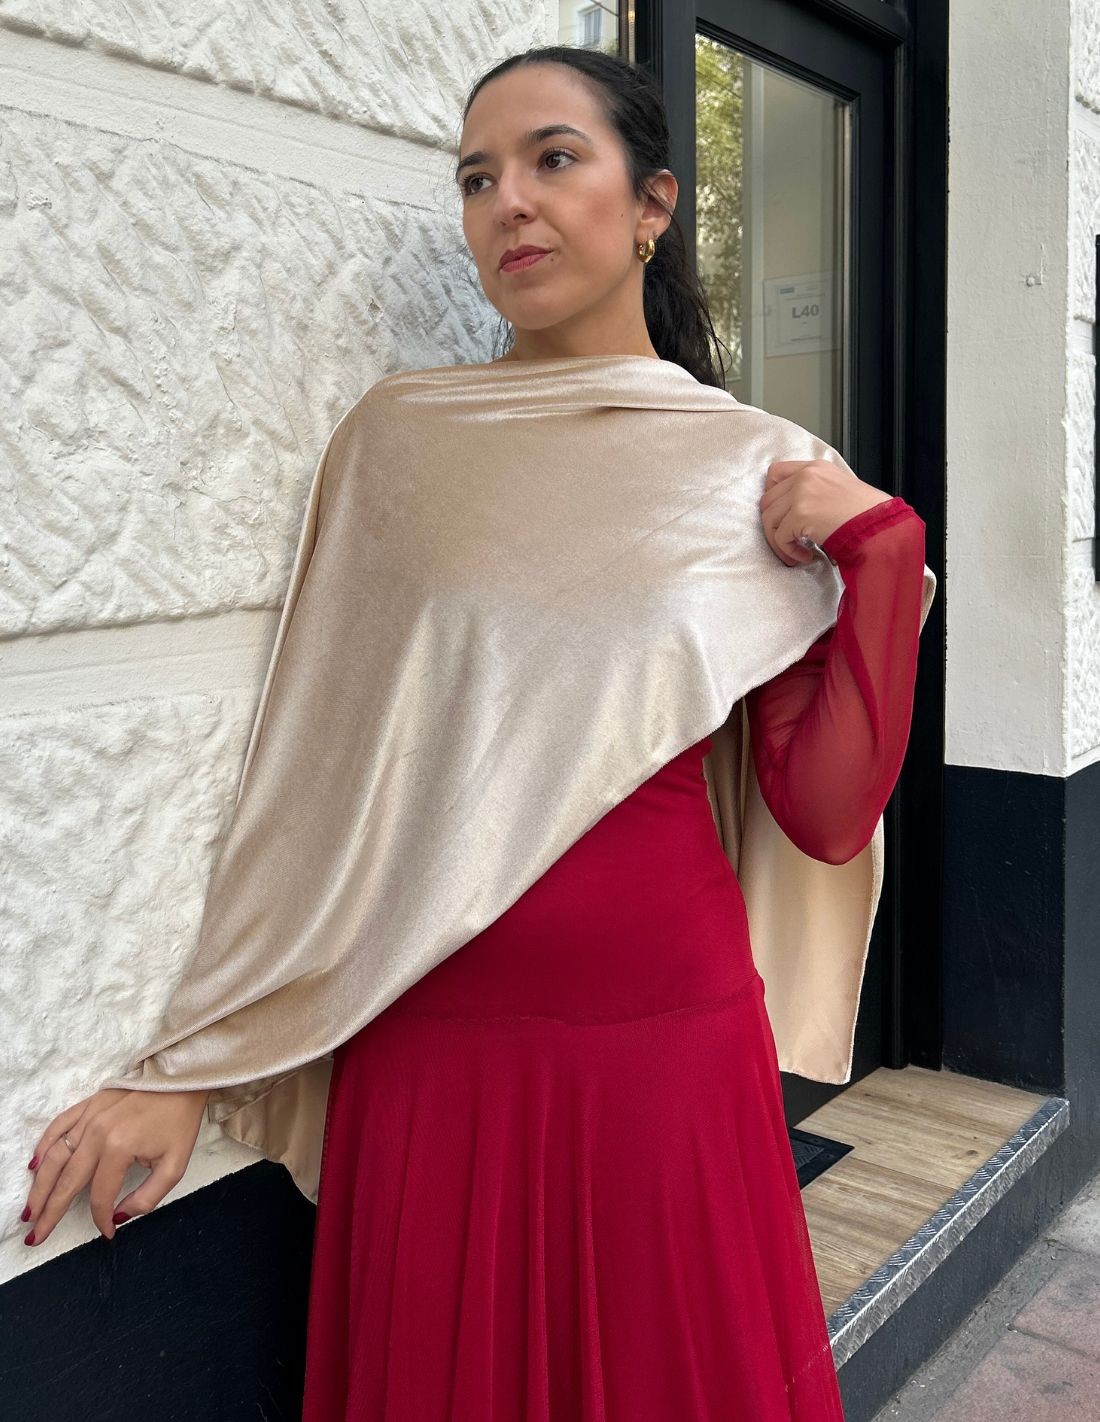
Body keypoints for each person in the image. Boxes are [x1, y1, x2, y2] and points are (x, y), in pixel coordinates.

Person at [22, 44, 934, 1421]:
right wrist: (195, 1061)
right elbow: (318, 775)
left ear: (653, 204)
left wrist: (879, 548)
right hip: (432, 1037)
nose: (509, 201)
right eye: (476, 177)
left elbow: (824, 809)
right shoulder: (398, 443)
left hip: (663, 1048)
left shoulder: (754, 464)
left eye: (554, 159)